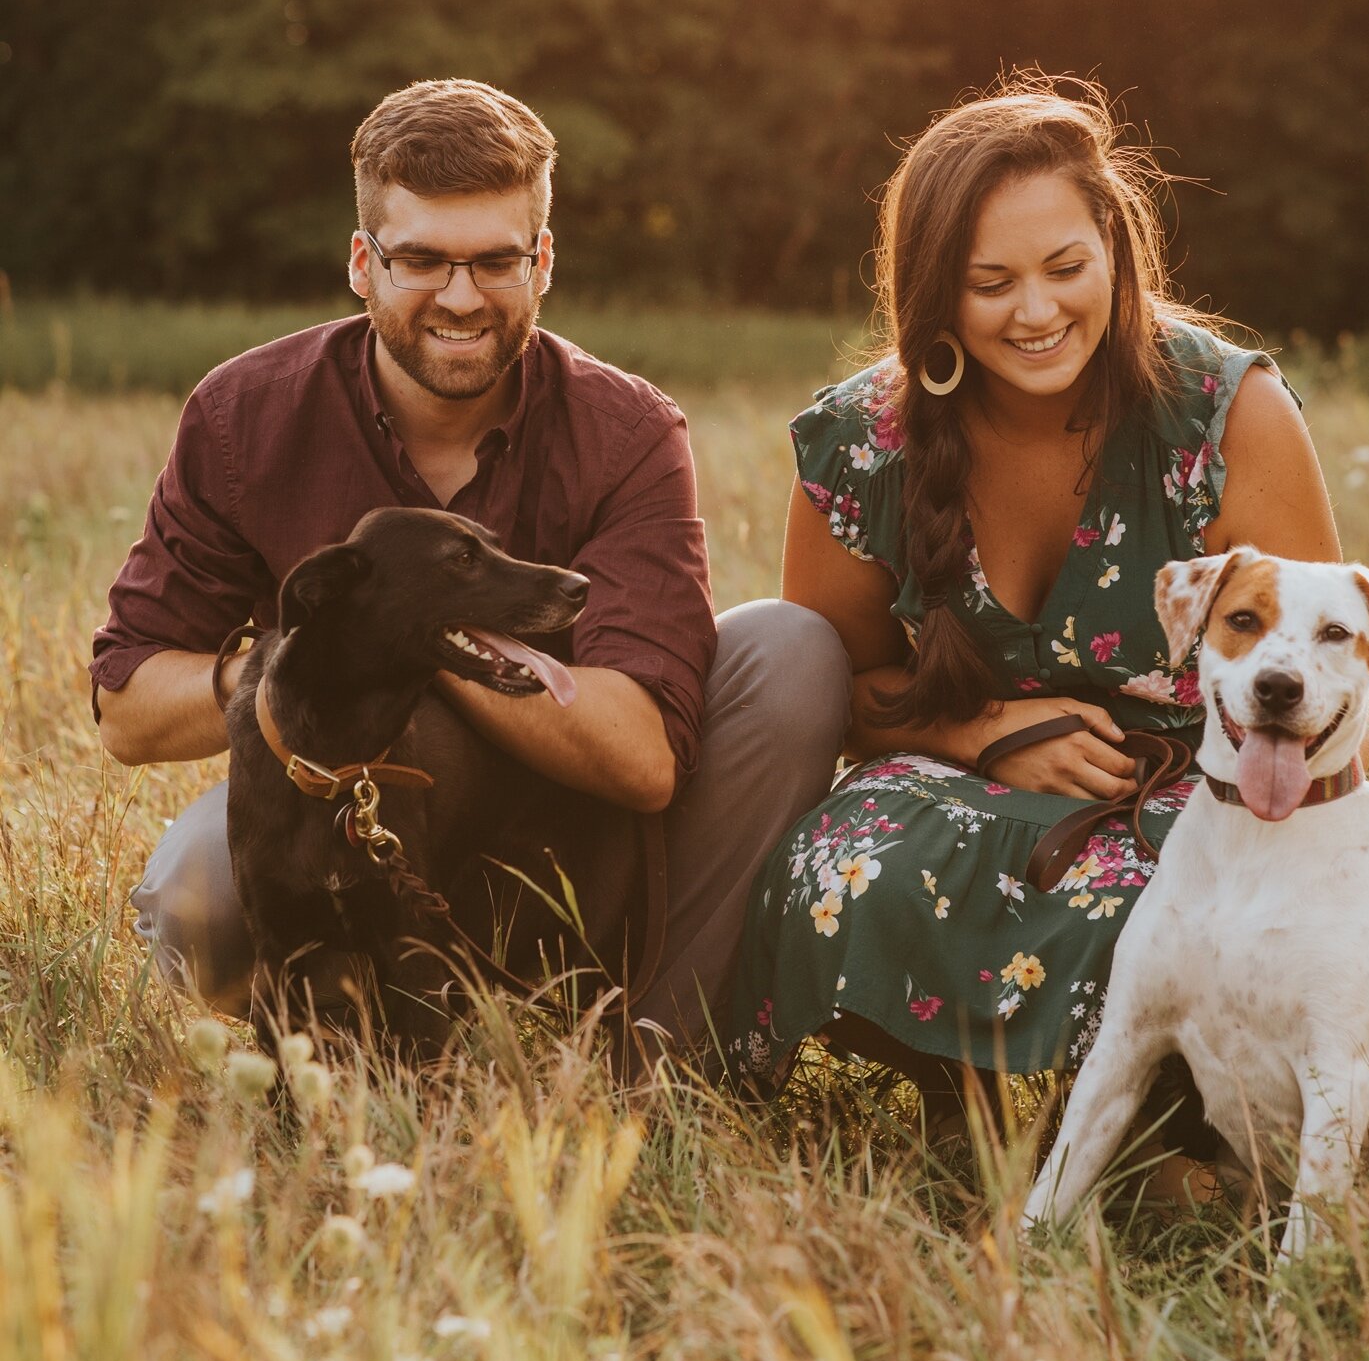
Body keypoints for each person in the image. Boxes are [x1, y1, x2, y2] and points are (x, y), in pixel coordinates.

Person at [94, 77, 850, 1047]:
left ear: (542, 262)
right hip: (347, 815)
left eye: (496, 262)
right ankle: (337, 1043)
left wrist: (430, 642)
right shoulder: (245, 416)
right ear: (364, 264)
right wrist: (300, 661)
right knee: (199, 894)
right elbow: (126, 705)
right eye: (424, 262)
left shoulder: (627, 428)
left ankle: (661, 1048)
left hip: (569, 827)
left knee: (789, 648)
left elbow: (643, 757)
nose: (462, 298)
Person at [726, 77, 1344, 1106]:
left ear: (1115, 249)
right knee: (837, 859)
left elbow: (1324, 675)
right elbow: (841, 694)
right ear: (935, 291)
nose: (1037, 312)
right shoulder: (862, 441)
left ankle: (1160, 1114)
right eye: (990, 282)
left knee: (1184, 920)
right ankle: (955, 1084)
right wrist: (988, 731)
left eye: (1066, 268)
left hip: (1188, 795)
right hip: (958, 783)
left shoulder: (1227, 415)